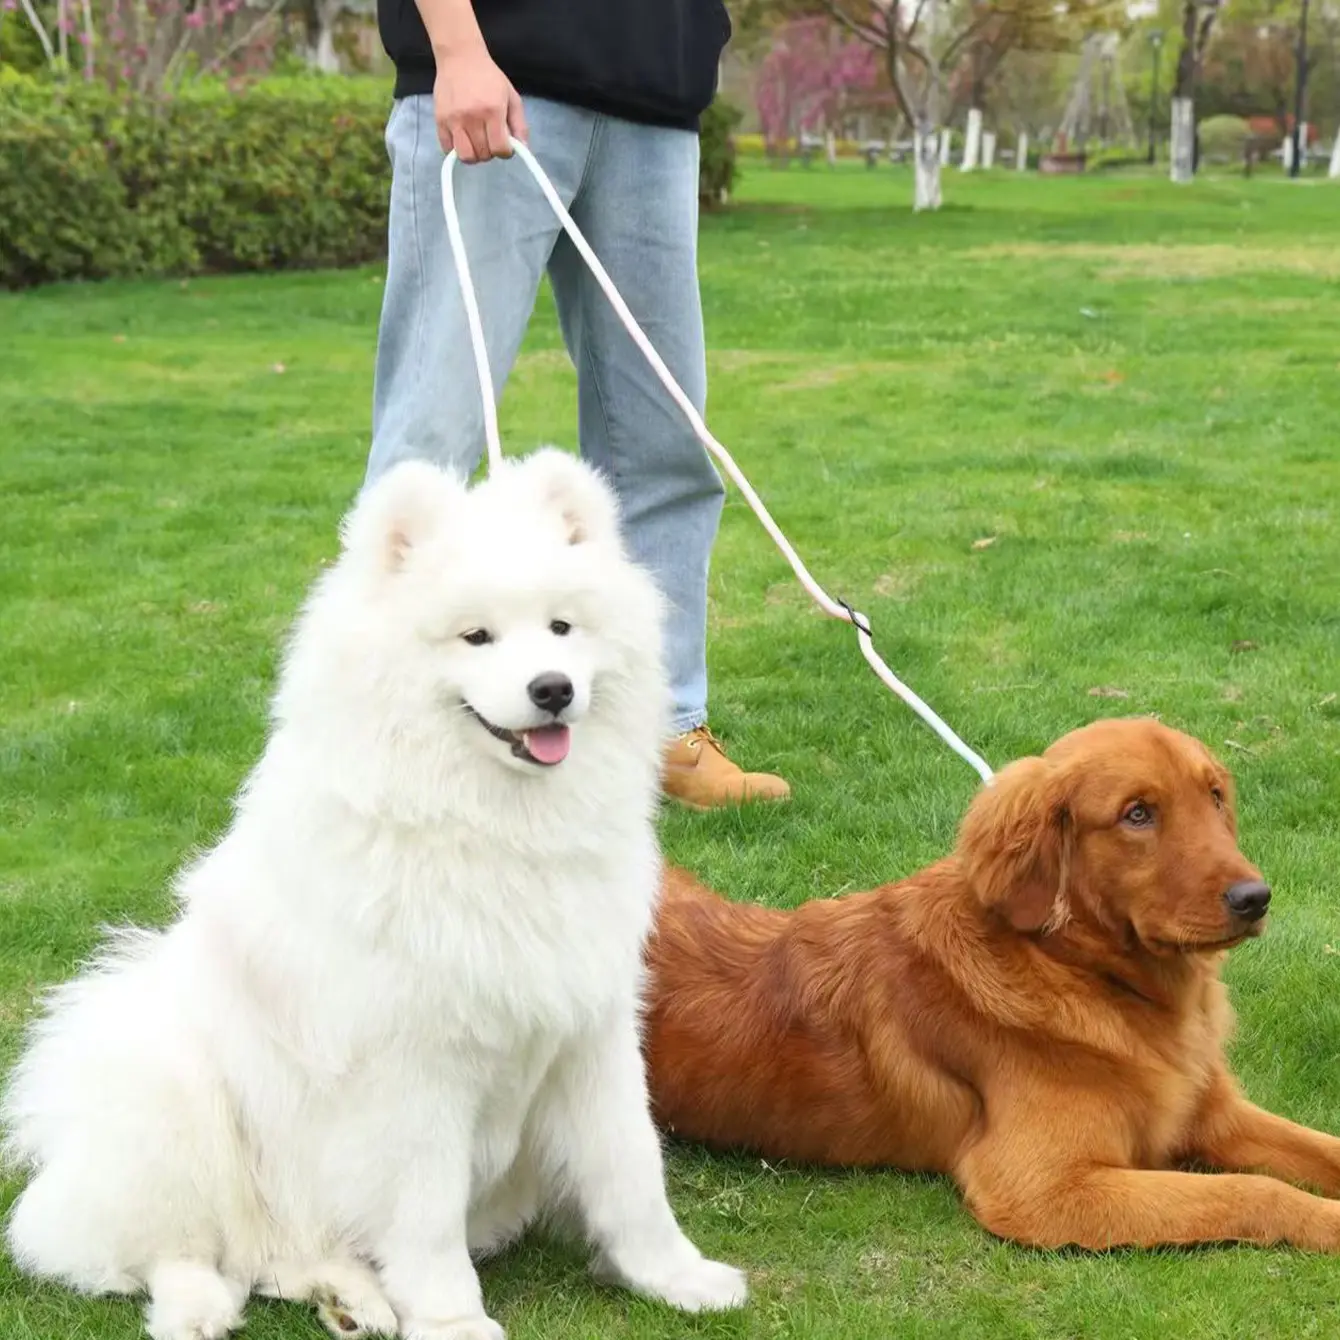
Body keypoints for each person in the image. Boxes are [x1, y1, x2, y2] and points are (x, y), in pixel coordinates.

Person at [369, 0, 790, 810]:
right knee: (427, 450)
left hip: (654, 102)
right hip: (495, 76)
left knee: (664, 446)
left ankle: (665, 727)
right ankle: (380, 736)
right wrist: (457, 49)